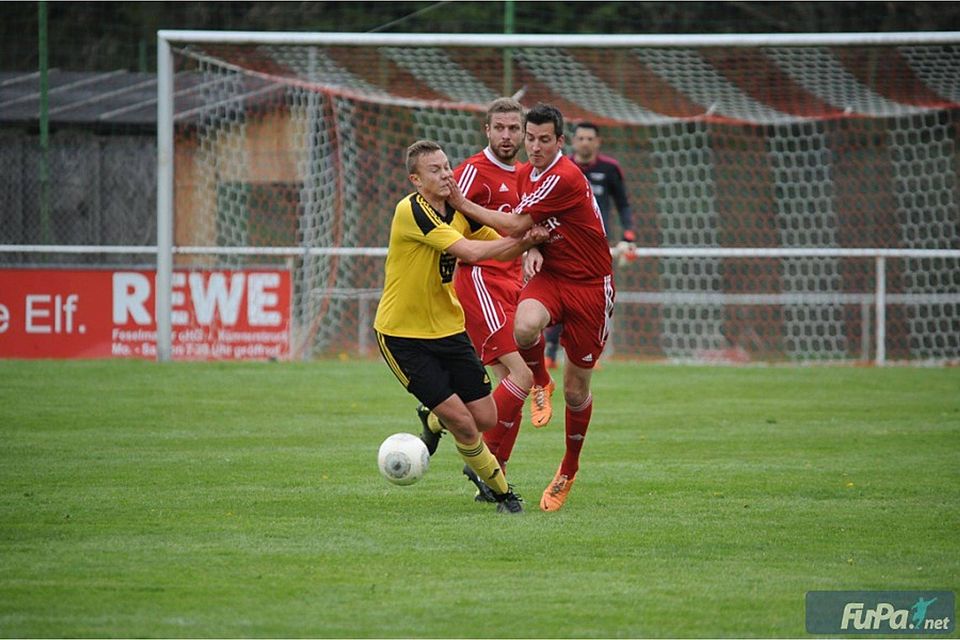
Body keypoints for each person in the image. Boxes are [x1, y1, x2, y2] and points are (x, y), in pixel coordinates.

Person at [447, 103, 616, 512]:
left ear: (561, 142)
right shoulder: (526, 171)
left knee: (578, 392)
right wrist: (537, 247)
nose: (535, 146)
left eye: (545, 140)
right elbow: (535, 229)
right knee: (524, 329)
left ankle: (568, 469)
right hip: (553, 278)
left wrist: (462, 202)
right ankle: (540, 382)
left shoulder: (564, 175)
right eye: (531, 138)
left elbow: (520, 224)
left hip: (591, 288)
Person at [374, 139, 547, 514]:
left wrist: (529, 241)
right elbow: (471, 253)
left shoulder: (458, 211)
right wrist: (522, 242)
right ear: (416, 180)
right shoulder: (412, 211)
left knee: (485, 418)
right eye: (434, 170)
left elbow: (500, 241)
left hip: (449, 330)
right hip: (403, 336)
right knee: (466, 425)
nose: (446, 174)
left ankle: (433, 417)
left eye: (447, 165)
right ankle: (502, 494)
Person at [417, 97, 537, 503]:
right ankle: (484, 463)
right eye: (499, 128)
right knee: (521, 378)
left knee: (511, 386)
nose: (507, 136)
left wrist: (533, 249)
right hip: (481, 283)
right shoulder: (470, 172)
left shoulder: (526, 174)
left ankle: (480, 461)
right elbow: (448, 224)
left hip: (513, 285)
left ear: (523, 133)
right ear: (487, 130)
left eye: (513, 129)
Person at [543, 121, 634, 370]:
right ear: (573, 141)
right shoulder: (562, 167)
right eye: (580, 138)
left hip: (596, 245)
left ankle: (587, 352)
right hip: (563, 242)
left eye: (589, 138)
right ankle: (550, 351)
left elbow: (623, 203)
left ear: (598, 142)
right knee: (561, 294)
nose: (584, 142)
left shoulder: (610, 169)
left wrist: (628, 235)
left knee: (592, 299)